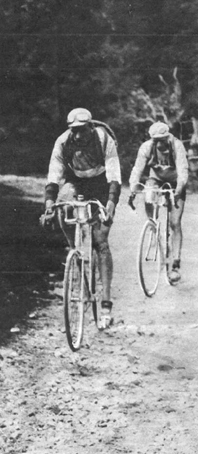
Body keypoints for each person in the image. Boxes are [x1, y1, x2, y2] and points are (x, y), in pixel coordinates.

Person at [42, 108, 121, 329]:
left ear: (91, 127)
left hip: (101, 184)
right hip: (75, 181)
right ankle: (73, 252)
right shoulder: (63, 142)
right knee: (62, 205)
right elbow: (54, 174)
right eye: (73, 131)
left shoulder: (104, 139)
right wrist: (49, 205)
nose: (77, 135)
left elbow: (114, 174)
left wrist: (111, 204)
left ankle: (105, 303)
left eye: (82, 130)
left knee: (100, 241)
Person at [128, 121, 189, 283]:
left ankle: (175, 263)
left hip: (176, 182)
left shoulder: (177, 146)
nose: (161, 144)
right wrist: (133, 187)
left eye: (163, 139)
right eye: (157, 140)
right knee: (148, 195)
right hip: (156, 179)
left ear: (168, 136)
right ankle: (153, 226)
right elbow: (138, 169)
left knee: (175, 223)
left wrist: (179, 189)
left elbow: (183, 170)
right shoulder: (147, 148)